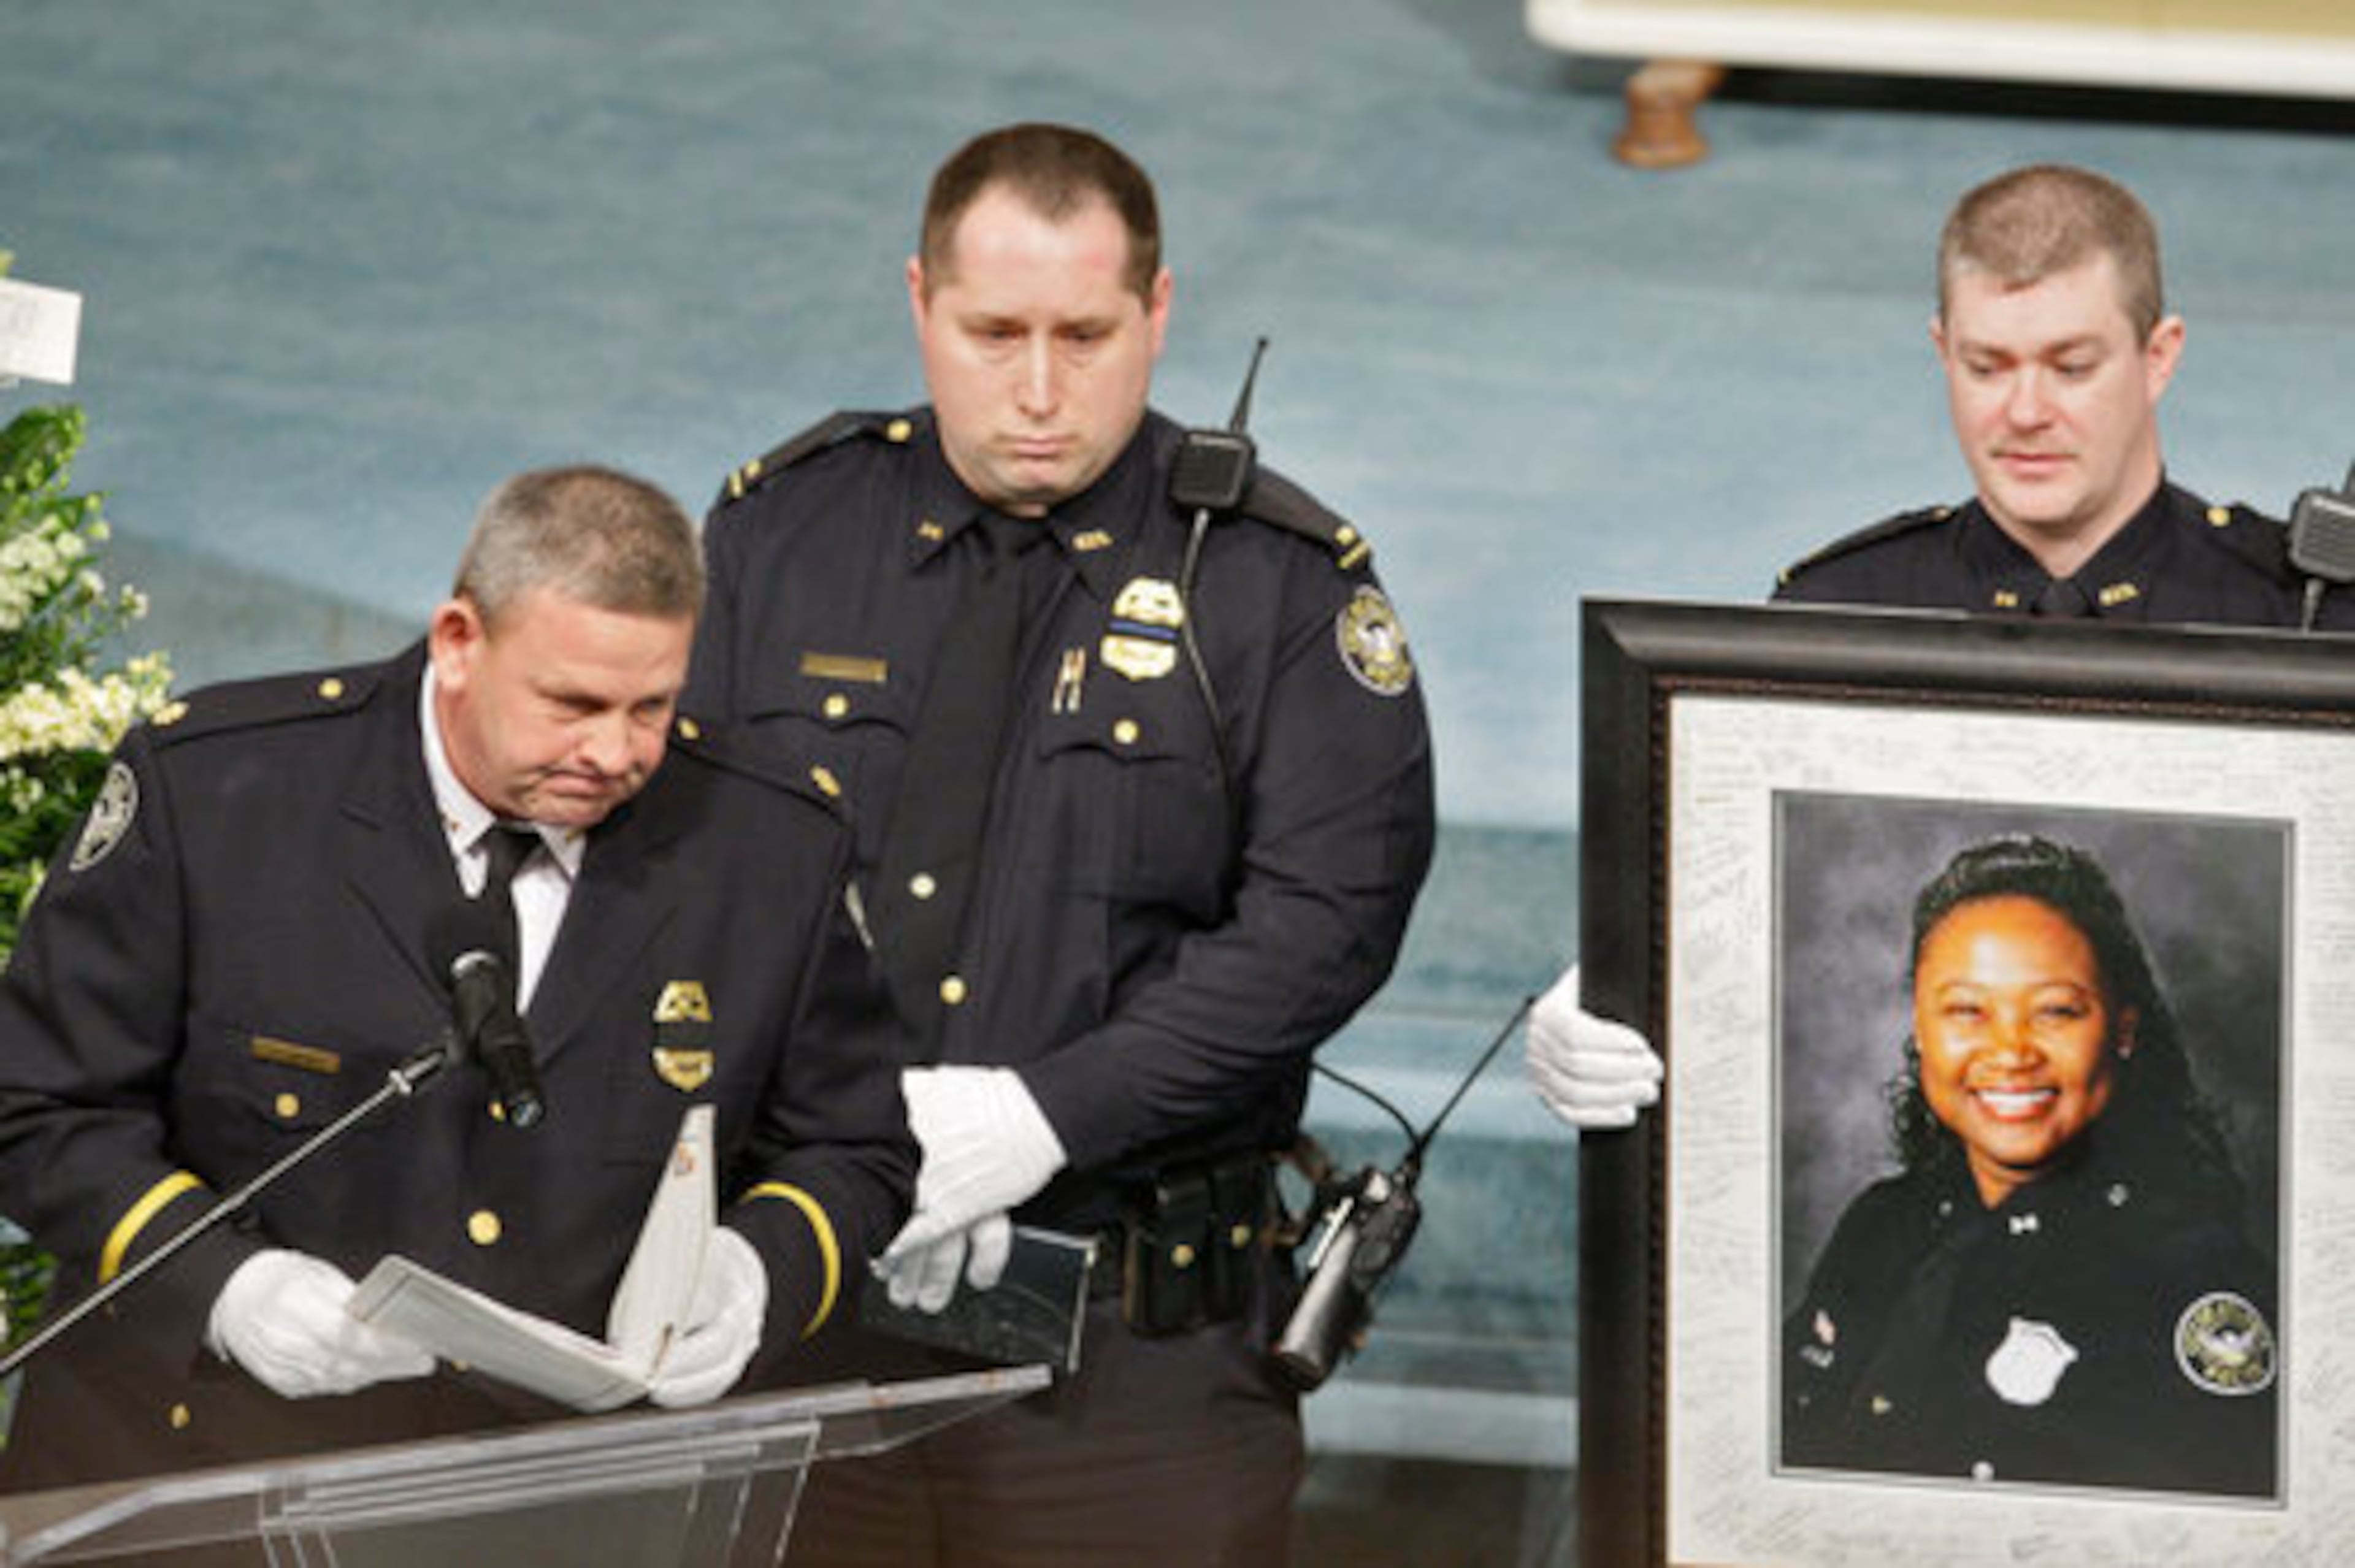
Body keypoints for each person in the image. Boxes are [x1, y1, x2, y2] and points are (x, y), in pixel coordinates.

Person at [687, 123, 1434, 1565]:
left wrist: (1046, 1114)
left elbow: (1325, 920)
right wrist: (851, 1146)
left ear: (1158, 315)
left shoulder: (1275, 582)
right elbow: (690, 869)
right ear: (918, 302)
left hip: (1125, 1359)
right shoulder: (782, 533)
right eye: (992, 332)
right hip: (806, 1300)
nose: (1037, 389)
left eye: (1085, 335)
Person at [0, 465, 915, 1494]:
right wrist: (223, 1284)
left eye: (652, 705)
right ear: (457, 641)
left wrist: (757, 1270)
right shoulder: (217, 793)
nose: (613, 751)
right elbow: (40, 1102)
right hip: (199, 1463)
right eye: (571, 702)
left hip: (565, 1499)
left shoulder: (769, 845)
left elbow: (856, 1146)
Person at [1526, 162, 2354, 1128]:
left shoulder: (2305, 622)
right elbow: (1728, 906)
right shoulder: (1838, 616)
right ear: (1941, 350)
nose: (2027, 411)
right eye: (1987, 365)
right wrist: (1616, 986)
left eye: (2073, 366)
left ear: (2159, 355)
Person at [1781, 834, 2276, 1496]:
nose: (2010, 1051)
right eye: (1966, 1011)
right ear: (1921, 1030)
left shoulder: (2197, 1276)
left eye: (2055, 1011)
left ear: (2123, 1030)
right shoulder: (1881, 1225)